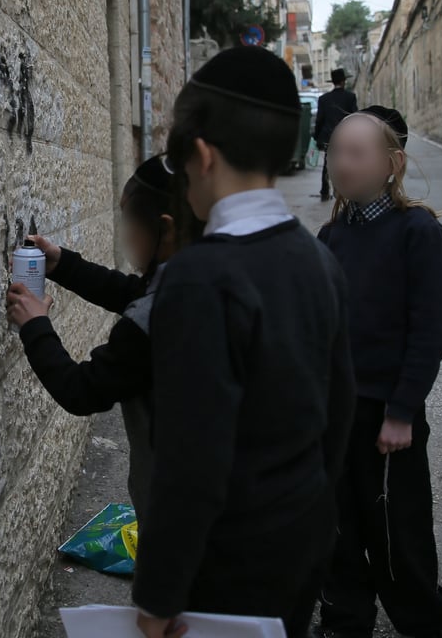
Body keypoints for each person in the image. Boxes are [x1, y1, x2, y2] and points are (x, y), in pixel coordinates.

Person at [133, 46, 357, 638]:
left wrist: (158, 597)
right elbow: (339, 414)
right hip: (301, 544)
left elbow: (189, 462)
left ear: (201, 156)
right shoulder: (318, 257)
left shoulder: (199, 277)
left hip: (224, 570)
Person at [315, 107, 442, 638]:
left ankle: (424, 621)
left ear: (392, 164)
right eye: (334, 152)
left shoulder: (417, 232)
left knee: (398, 530)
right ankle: (345, 618)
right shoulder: (331, 236)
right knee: (340, 525)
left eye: (356, 153)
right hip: (338, 414)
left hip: (388, 417)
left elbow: (430, 332)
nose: (341, 164)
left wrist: (401, 412)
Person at [5, 156, 197, 519]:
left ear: (166, 231)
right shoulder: (202, 276)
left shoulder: (154, 318)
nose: (124, 232)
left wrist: (35, 326)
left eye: (129, 220)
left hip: (181, 516)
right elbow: (130, 291)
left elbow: (82, 390)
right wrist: (63, 264)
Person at [313, 68, 358, 202]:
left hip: (329, 137)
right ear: (343, 81)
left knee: (328, 164)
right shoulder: (350, 97)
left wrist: (316, 136)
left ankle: (325, 191)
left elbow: (319, 119)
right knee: (345, 163)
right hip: (346, 136)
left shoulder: (324, 99)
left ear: (333, 82)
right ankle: (341, 190)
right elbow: (355, 116)